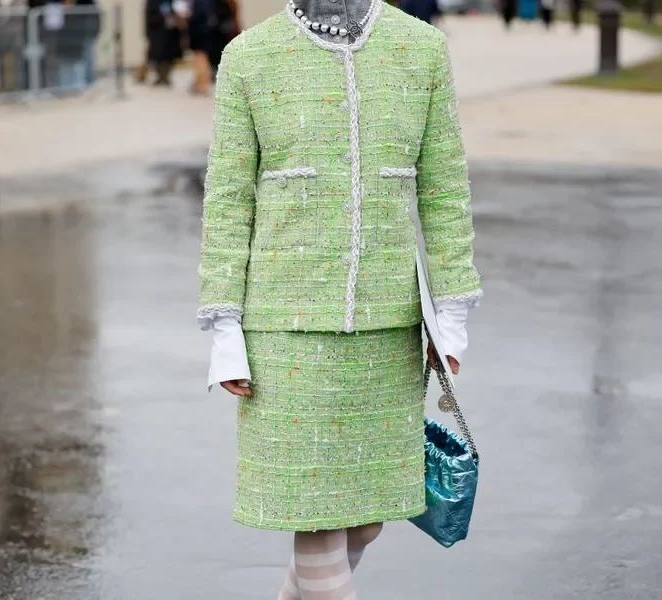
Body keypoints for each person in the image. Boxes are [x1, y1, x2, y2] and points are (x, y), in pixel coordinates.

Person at [198, 1, 481, 598]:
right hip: (285, 332)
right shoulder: (248, 56)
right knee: (317, 514)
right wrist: (225, 329)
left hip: (389, 328)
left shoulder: (422, 49)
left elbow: (444, 188)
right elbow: (227, 201)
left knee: (366, 518)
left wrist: (451, 315)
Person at [188, 0, 240, 94]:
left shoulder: (205, 3)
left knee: (201, 59)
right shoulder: (224, 3)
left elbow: (197, 17)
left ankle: (202, 85)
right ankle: (200, 83)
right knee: (203, 60)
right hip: (212, 35)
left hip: (201, 34)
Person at [143, 0, 183, 86]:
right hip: (157, 32)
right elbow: (149, 16)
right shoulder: (152, 2)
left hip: (171, 34)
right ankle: (160, 77)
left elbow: (178, 11)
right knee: (157, 56)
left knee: (169, 56)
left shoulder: (172, 2)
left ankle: (166, 77)